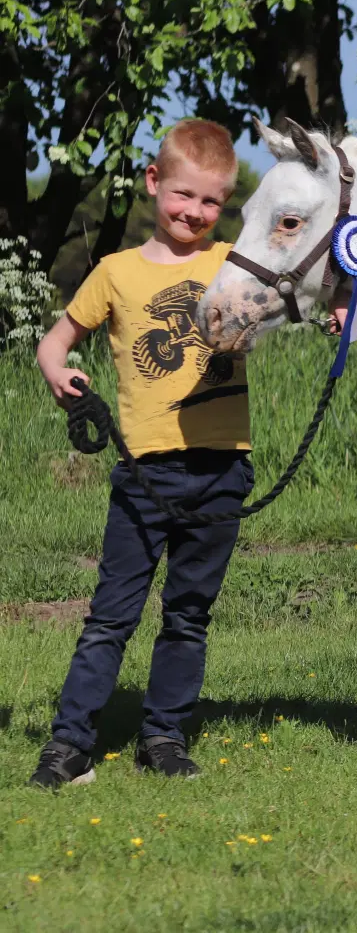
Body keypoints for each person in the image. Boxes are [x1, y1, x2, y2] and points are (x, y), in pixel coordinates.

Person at [28, 118, 254, 788]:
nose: (195, 212)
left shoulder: (233, 264)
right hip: (144, 472)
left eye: (212, 201)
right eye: (185, 195)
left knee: (188, 614)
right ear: (154, 183)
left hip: (221, 468)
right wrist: (58, 375)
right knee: (112, 616)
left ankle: (163, 734)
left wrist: (334, 305)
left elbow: (297, 295)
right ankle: (70, 744)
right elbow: (53, 342)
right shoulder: (115, 272)